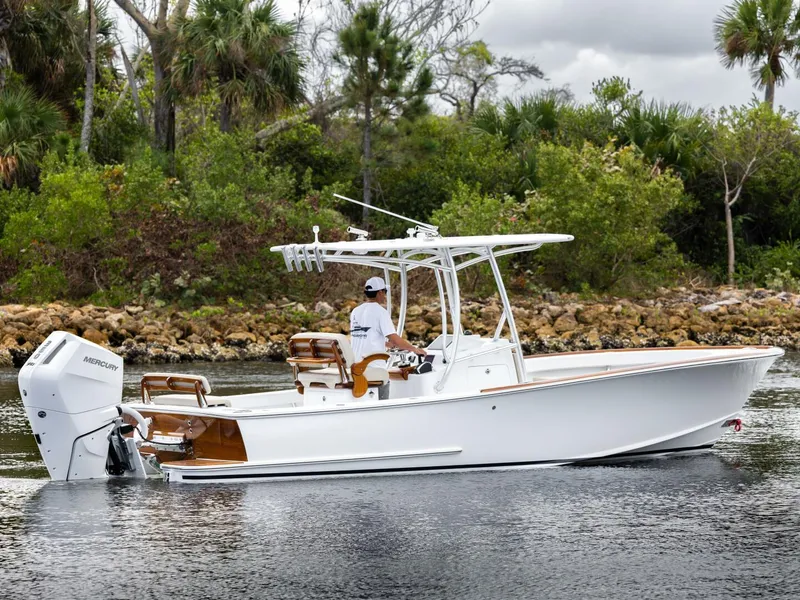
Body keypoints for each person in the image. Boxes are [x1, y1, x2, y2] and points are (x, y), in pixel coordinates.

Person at [350, 276, 426, 373]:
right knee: (387, 380)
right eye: (385, 291)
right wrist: (414, 349)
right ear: (380, 292)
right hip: (373, 368)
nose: (385, 295)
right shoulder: (380, 312)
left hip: (355, 367)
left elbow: (364, 336)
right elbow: (395, 340)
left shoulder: (355, 311)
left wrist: (385, 344)